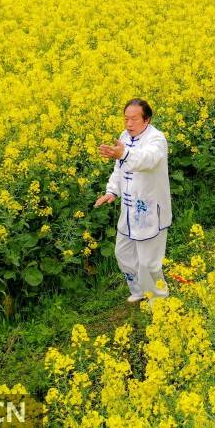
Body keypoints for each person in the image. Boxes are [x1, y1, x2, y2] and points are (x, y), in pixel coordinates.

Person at [95, 99, 171, 304]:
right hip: (128, 211)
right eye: (126, 119)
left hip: (149, 212)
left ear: (146, 120)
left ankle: (160, 299)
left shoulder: (156, 139)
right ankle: (139, 290)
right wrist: (112, 191)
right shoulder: (124, 138)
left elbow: (148, 159)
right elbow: (119, 170)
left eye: (134, 119)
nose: (128, 124)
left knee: (149, 263)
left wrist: (124, 153)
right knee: (123, 254)